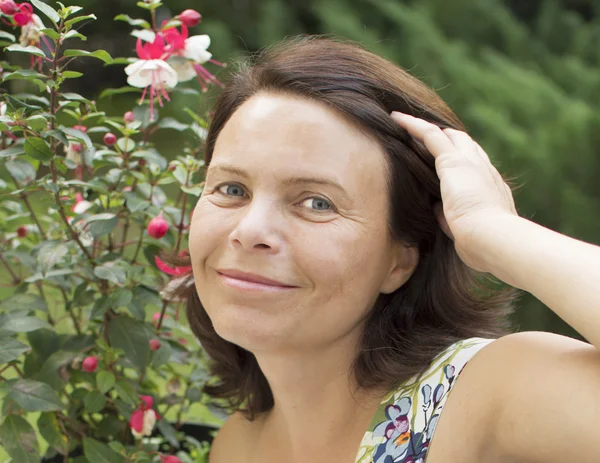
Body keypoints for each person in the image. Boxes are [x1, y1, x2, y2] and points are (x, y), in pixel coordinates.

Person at [163, 35, 600, 462]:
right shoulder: (238, 444)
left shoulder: (489, 395)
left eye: (317, 202)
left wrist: (492, 230)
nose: (250, 229)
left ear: (401, 259)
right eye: (232, 188)